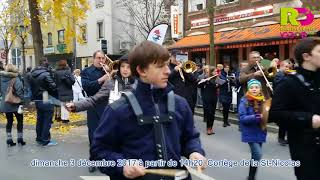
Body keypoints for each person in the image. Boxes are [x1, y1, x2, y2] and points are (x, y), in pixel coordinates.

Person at [91, 41, 206, 180]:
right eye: (160, 66)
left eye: (167, 64)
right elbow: (99, 151)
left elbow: (190, 137)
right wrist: (122, 165)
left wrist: (194, 151)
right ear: (141, 70)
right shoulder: (118, 110)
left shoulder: (180, 104)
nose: (168, 71)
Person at [269, 38, 320, 180]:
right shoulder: (288, 83)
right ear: (306, 57)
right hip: (306, 149)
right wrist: (309, 119)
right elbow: (275, 114)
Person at [66, 54, 135, 112]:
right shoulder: (111, 83)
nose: (125, 69)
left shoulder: (139, 83)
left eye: (128, 67)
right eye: (122, 66)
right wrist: (76, 105)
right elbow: (94, 100)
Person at [81, 50, 110, 173]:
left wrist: (110, 73)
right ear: (93, 59)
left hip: (107, 105)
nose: (101, 61)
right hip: (93, 106)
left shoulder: (108, 70)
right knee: (93, 135)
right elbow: (87, 87)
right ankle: (93, 161)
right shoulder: (86, 72)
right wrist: (102, 79)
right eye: (98, 58)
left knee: (107, 134)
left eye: (103, 58)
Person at [239, 79, 267, 180]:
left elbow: (266, 115)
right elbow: (242, 118)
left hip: (261, 132)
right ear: (248, 89)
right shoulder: (244, 101)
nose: (254, 89)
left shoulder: (263, 100)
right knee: (258, 154)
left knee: (255, 156)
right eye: (251, 87)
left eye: (256, 87)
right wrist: (256, 117)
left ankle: (251, 177)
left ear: (260, 89)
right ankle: (251, 177)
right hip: (250, 133)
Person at [30, 57, 58, 146]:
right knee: (47, 120)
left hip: (37, 99)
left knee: (40, 119)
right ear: (44, 63)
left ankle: (39, 138)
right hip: (46, 98)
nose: (48, 62)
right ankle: (45, 139)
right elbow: (53, 87)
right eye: (47, 61)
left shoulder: (32, 74)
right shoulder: (46, 74)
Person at [0, 64, 25, 146]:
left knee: (9, 121)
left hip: (6, 103)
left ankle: (9, 139)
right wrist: (22, 100)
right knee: (20, 120)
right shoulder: (16, 79)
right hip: (16, 104)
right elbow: (19, 92)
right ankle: (20, 139)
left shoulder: (1, 78)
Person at [197, 65, 218, 135]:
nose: (216, 72)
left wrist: (220, 83)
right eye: (214, 71)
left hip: (214, 97)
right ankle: (208, 128)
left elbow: (218, 85)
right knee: (209, 113)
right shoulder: (205, 77)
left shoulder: (216, 78)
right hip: (207, 97)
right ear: (211, 72)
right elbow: (198, 85)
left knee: (213, 113)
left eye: (216, 71)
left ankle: (211, 127)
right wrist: (205, 81)